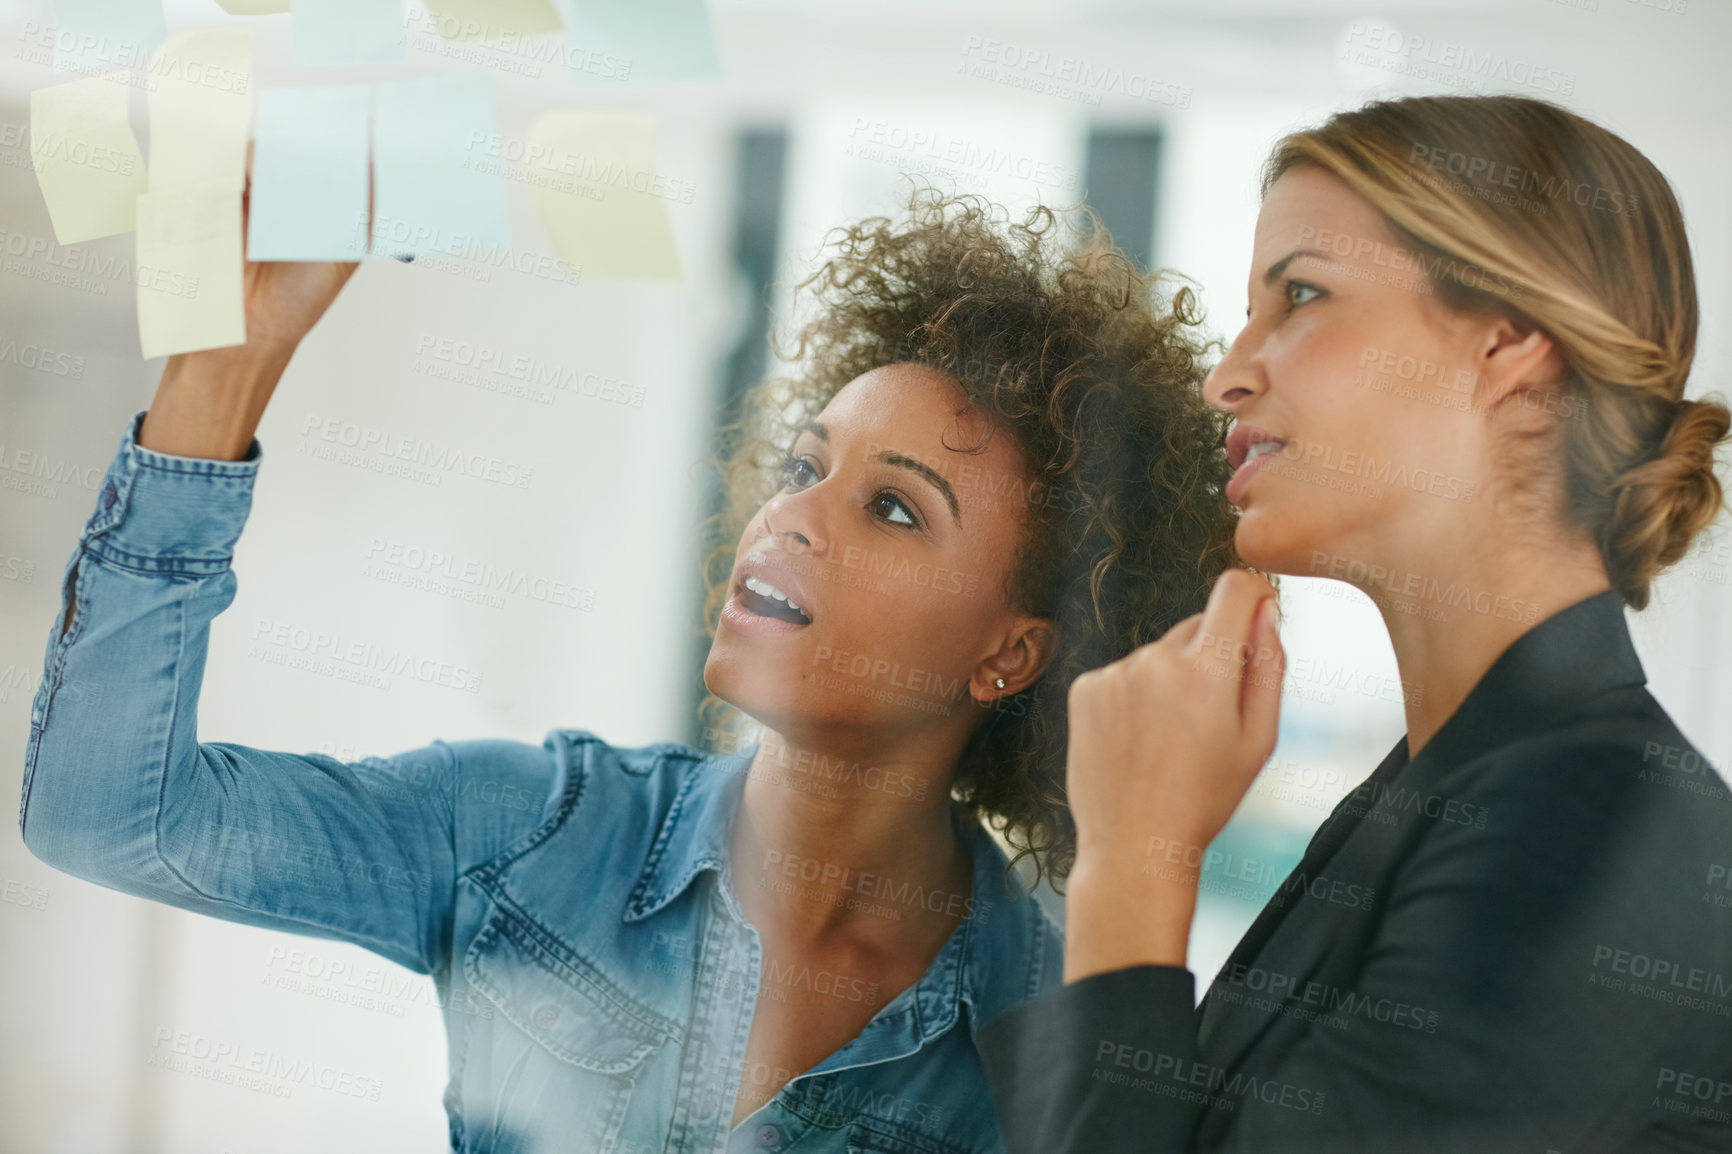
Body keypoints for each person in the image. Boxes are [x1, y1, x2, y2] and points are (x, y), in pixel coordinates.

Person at [18, 176, 1240, 1153]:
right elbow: (106, 815)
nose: (792, 516)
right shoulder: (534, 831)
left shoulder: (1041, 1019)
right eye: (807, 465)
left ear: (1010, 652)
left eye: (895, 509)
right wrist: (225, 369)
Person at [977, 94, 1732, 1153]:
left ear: (1507, 344)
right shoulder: (1443, 791)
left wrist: (1133, 862)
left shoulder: (1587, 819)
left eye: (1300, 294)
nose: (1226, 373)